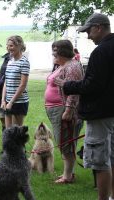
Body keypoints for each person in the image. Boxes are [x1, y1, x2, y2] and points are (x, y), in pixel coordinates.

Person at [54, 13, 114, 200]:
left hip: (100, 114)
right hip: (111, 112)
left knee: (100, 160)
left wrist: (67, 85)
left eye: (89, 31)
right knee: (112, 156)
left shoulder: (101, 52)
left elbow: (92, 85)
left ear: (98, 27)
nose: (88, 36)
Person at [45, 40, 84, 184]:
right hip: (56, 109)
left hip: (65, 110)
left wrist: (68, 110)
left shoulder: (72, 66)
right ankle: (68, 174)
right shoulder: (61, 65)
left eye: (55, 50)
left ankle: (68, 176)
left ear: (62, 51)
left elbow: (74, 91)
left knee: (66, 143)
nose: (53, 53)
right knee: (63, 142)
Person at [1, 35, 30, 127]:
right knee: (8, 132)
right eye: (8, 46)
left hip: (19, 102)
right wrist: (3, 100)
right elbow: (6, 82)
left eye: (11, 46)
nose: (9, 48)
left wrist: (11, 102)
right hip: (8, 101)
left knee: (16, 134)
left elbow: (22, 85)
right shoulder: (10, 61)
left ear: (19, 46)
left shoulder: (24, 62)